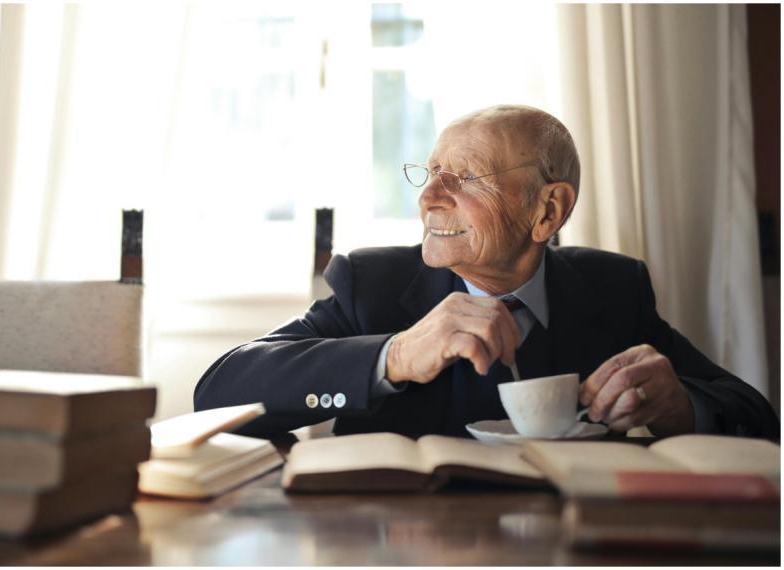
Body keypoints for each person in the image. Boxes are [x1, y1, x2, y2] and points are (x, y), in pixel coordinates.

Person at [194, 104, 779, 439]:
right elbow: (218, 392)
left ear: (547, 210)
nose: (429, 199)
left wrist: (683, 406)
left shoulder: (612, 289)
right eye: (429, 174)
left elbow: (757, 416)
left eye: (466, 177)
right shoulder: (370, 285)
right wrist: (393, 355)